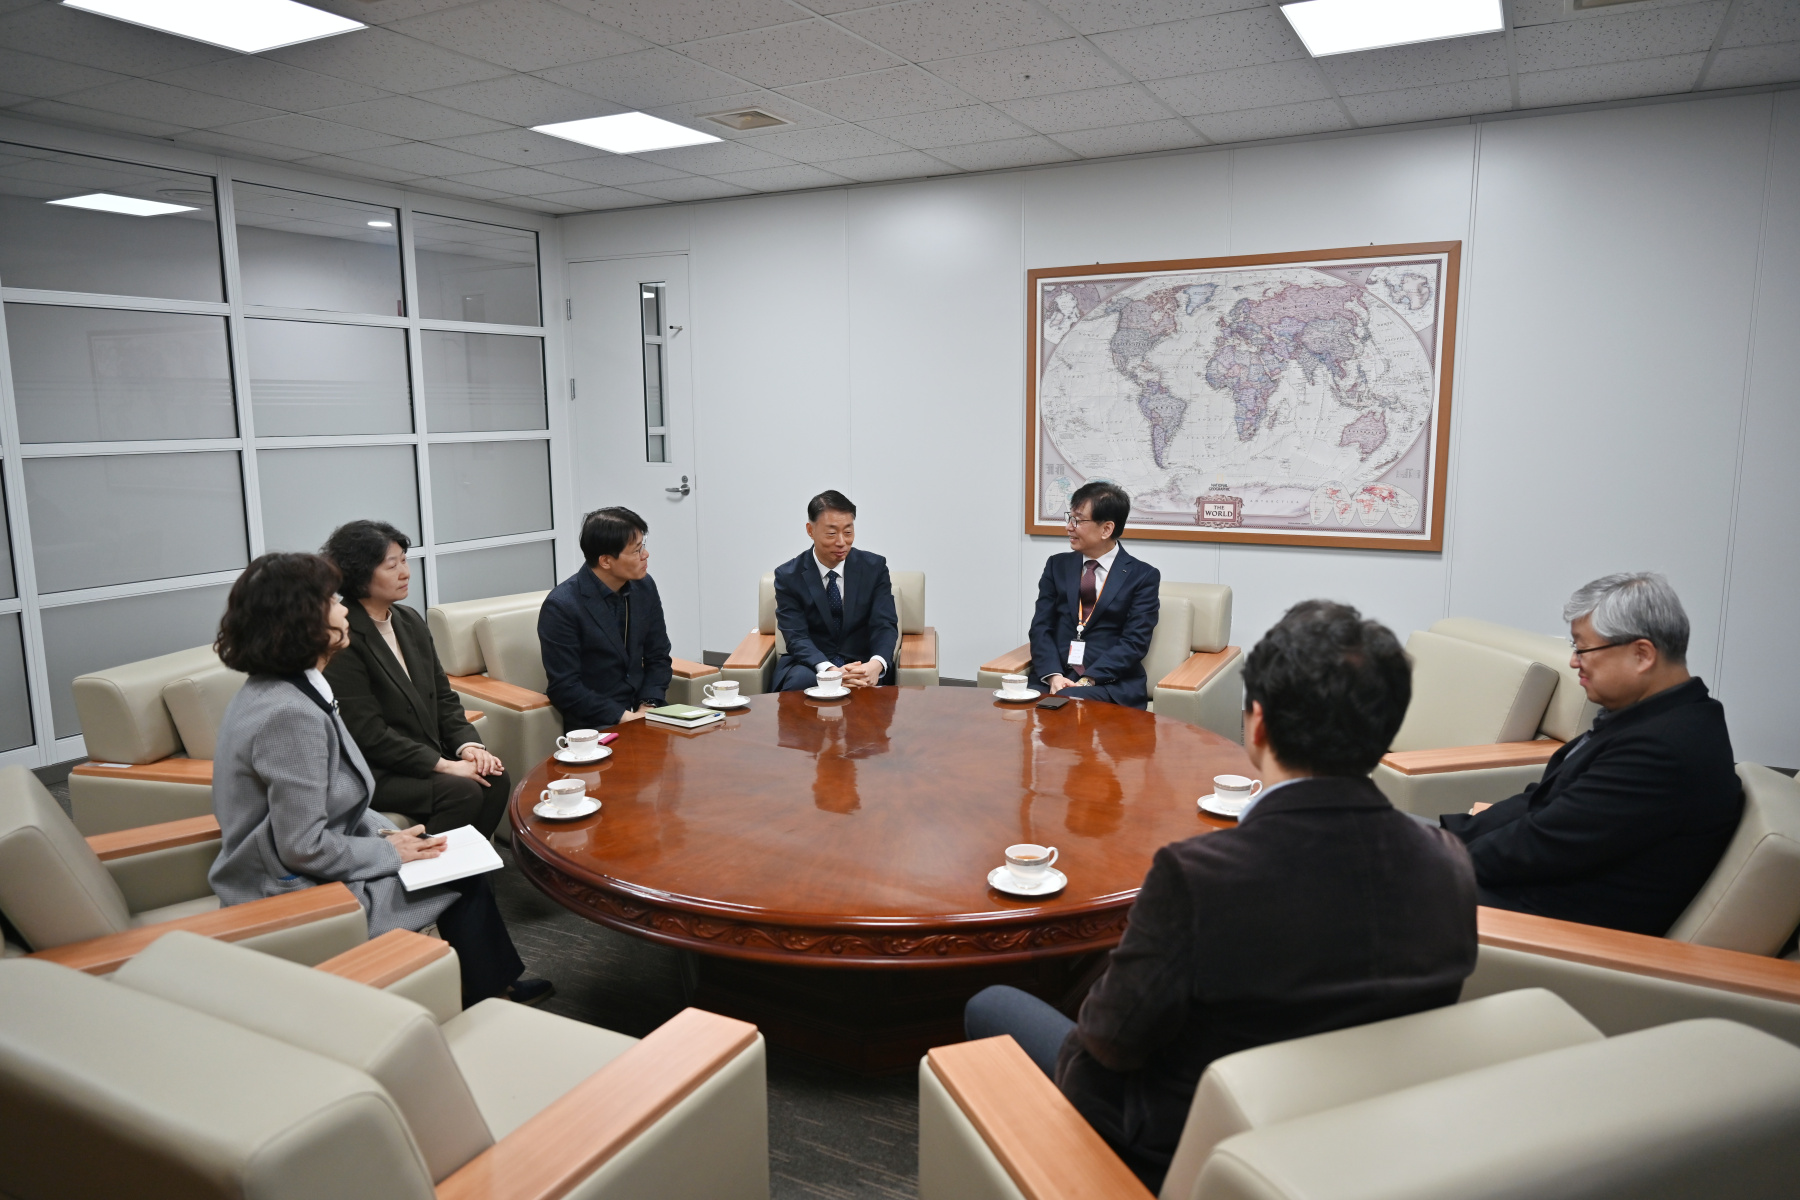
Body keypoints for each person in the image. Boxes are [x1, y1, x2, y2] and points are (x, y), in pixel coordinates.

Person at [966, 600, 1478, 1191]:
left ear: (1256, 725)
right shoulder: (1449, 864)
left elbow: (1108, 1041)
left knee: (992, 1003)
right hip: (1358, 1146)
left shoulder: (1201, 877)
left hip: (1185, 1152)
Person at [208, 552, 551, 1007]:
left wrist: (391, 836)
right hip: (287, 885)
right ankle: (487, 997)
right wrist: (389, 851)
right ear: (302, 620)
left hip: (305, 860)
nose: (343, 608)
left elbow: (325, 806)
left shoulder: (287, 687)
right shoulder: (290, 713)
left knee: (449, 857)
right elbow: (301, 847)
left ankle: (481, 987)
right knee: (461, 877)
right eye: (331, 600)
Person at [1441, 572, 1742, 935]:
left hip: (1550, 925)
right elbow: (1542, 804)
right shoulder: (1654, 716)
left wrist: (1428, 858)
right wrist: (1444, 836)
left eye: (1583, 649)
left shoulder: (1663, 749)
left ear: (1642, 654)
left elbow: (1543, 844)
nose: (1573, 661)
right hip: (1524, 887)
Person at [321, 520, 510, 839]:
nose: (405, 572)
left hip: (422, 756)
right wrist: (444, 765)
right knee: (462, 791)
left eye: (404, 561)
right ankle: (421, 869)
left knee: (495, 778)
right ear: (359, 574)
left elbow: (443, 697)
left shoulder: (409, 620)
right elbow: (368, 733)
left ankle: (467, 870)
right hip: (378, 769)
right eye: (391, 565)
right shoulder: (343, 636)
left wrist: (468, 746)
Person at [1029, 481, 1160, 707]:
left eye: (1078, 521)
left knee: (1067, 704)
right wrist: (1053, 676)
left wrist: (1087, 681)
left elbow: (1135, 642)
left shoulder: (1142, 576)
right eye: (1070, 518)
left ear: (1106, 529)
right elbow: (1041, 627)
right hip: (1056, 679)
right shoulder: (1056, 566)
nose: (1069, 527)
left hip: (1107, 683)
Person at [540, 506, 672, 729]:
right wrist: (624, 717)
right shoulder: (562, 606)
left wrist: (648, 705)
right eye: (636, 550)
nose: (645, 555)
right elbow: (564, 686)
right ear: (606, 561)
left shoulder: (644, 587)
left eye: (643, 546)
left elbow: (658, 656)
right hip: (598, 722)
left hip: (646, 713)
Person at [771, 490, 899, 692]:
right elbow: (796, 636)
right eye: (831, 533)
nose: (841, 542)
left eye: (848, 532)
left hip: (862, 663)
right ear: (810, 530)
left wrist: (875, 665)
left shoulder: (874, 568)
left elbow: (884, 624)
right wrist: (830, 670)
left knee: (870, 690)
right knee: (799, 683)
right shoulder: (788, 576)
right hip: (811, 664)